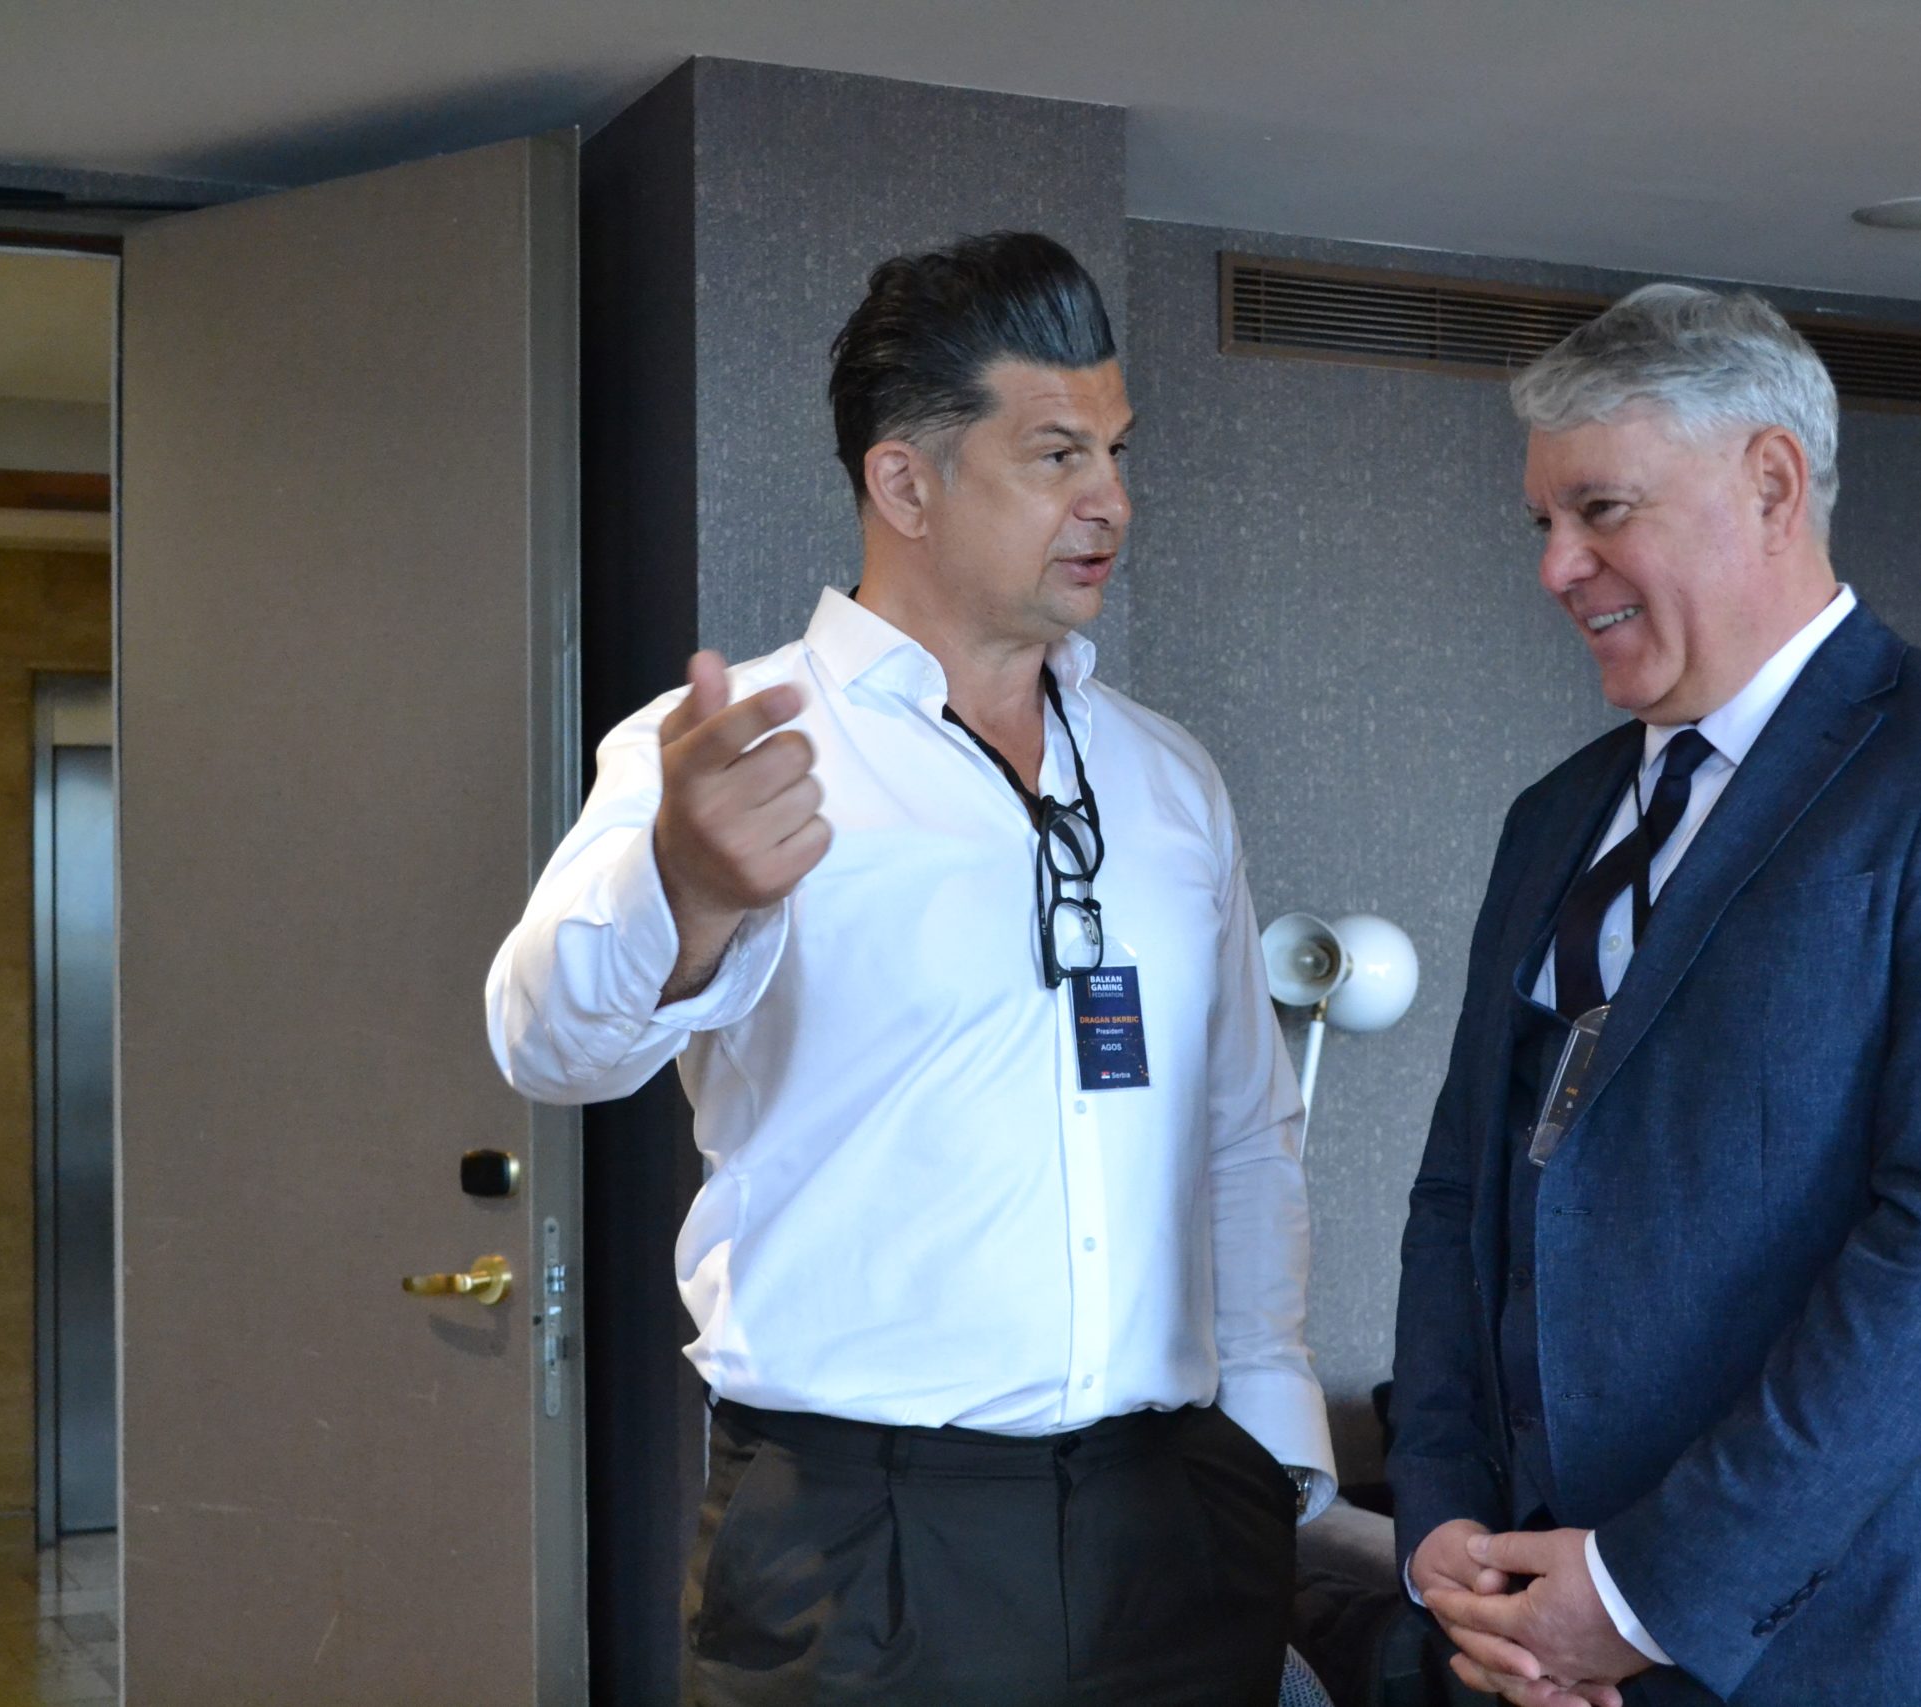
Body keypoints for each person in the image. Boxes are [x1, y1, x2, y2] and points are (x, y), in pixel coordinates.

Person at [486, 231, 1334, 1707]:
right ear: (906, 483)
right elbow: (546, 1046)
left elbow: (1243, 1128)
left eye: (1118, 451)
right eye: (1058, 454)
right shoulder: (733, 748)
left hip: (1172, 1525)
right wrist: (684, 891)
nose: (1112, 500)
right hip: (856, 1541)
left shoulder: (1168, 777)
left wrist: (1269, 1450)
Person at [1388, 283, 1921, 1707]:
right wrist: (1443, 1522)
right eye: (1542, 521)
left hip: (1861, 1658)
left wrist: (1649, 1589)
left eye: (1601, 510)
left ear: (1773, 485)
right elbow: (1460, 1196)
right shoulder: (1551, 819)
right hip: (1536, 1651)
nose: (1556, 566)